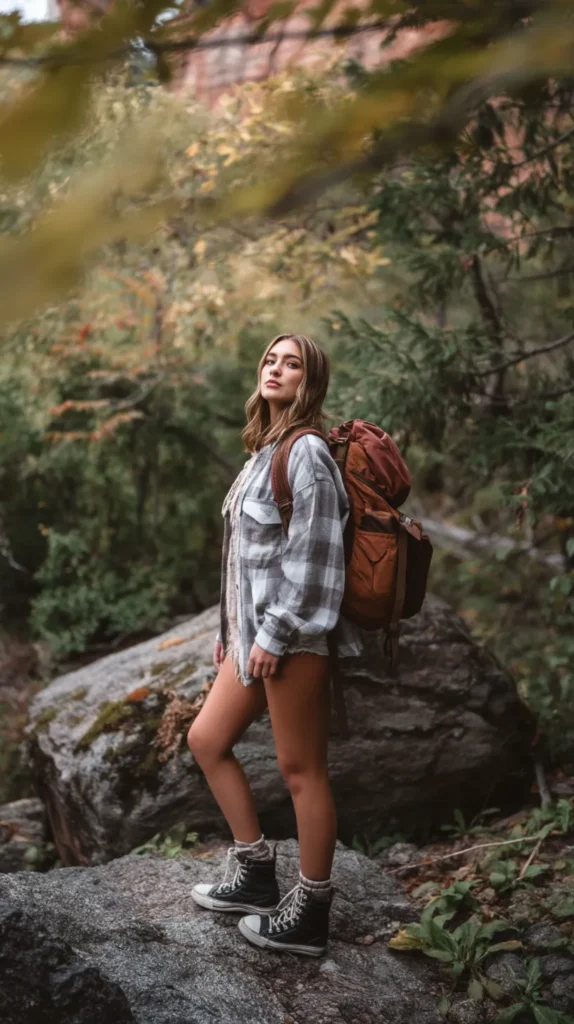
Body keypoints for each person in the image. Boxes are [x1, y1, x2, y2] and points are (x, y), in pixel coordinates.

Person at [187, 333, 362, 957]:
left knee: (301, 770)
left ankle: (311, 911)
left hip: (293, 640)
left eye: (292, 364)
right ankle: (257, 872)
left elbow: (316, 560)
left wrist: (275, 635)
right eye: (269, 359)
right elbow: (247, 558)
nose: (276, 369)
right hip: (252, 639)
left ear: (309, 382)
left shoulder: (308, 452)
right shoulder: (262, 452)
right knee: (205, 739)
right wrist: (227, 633)